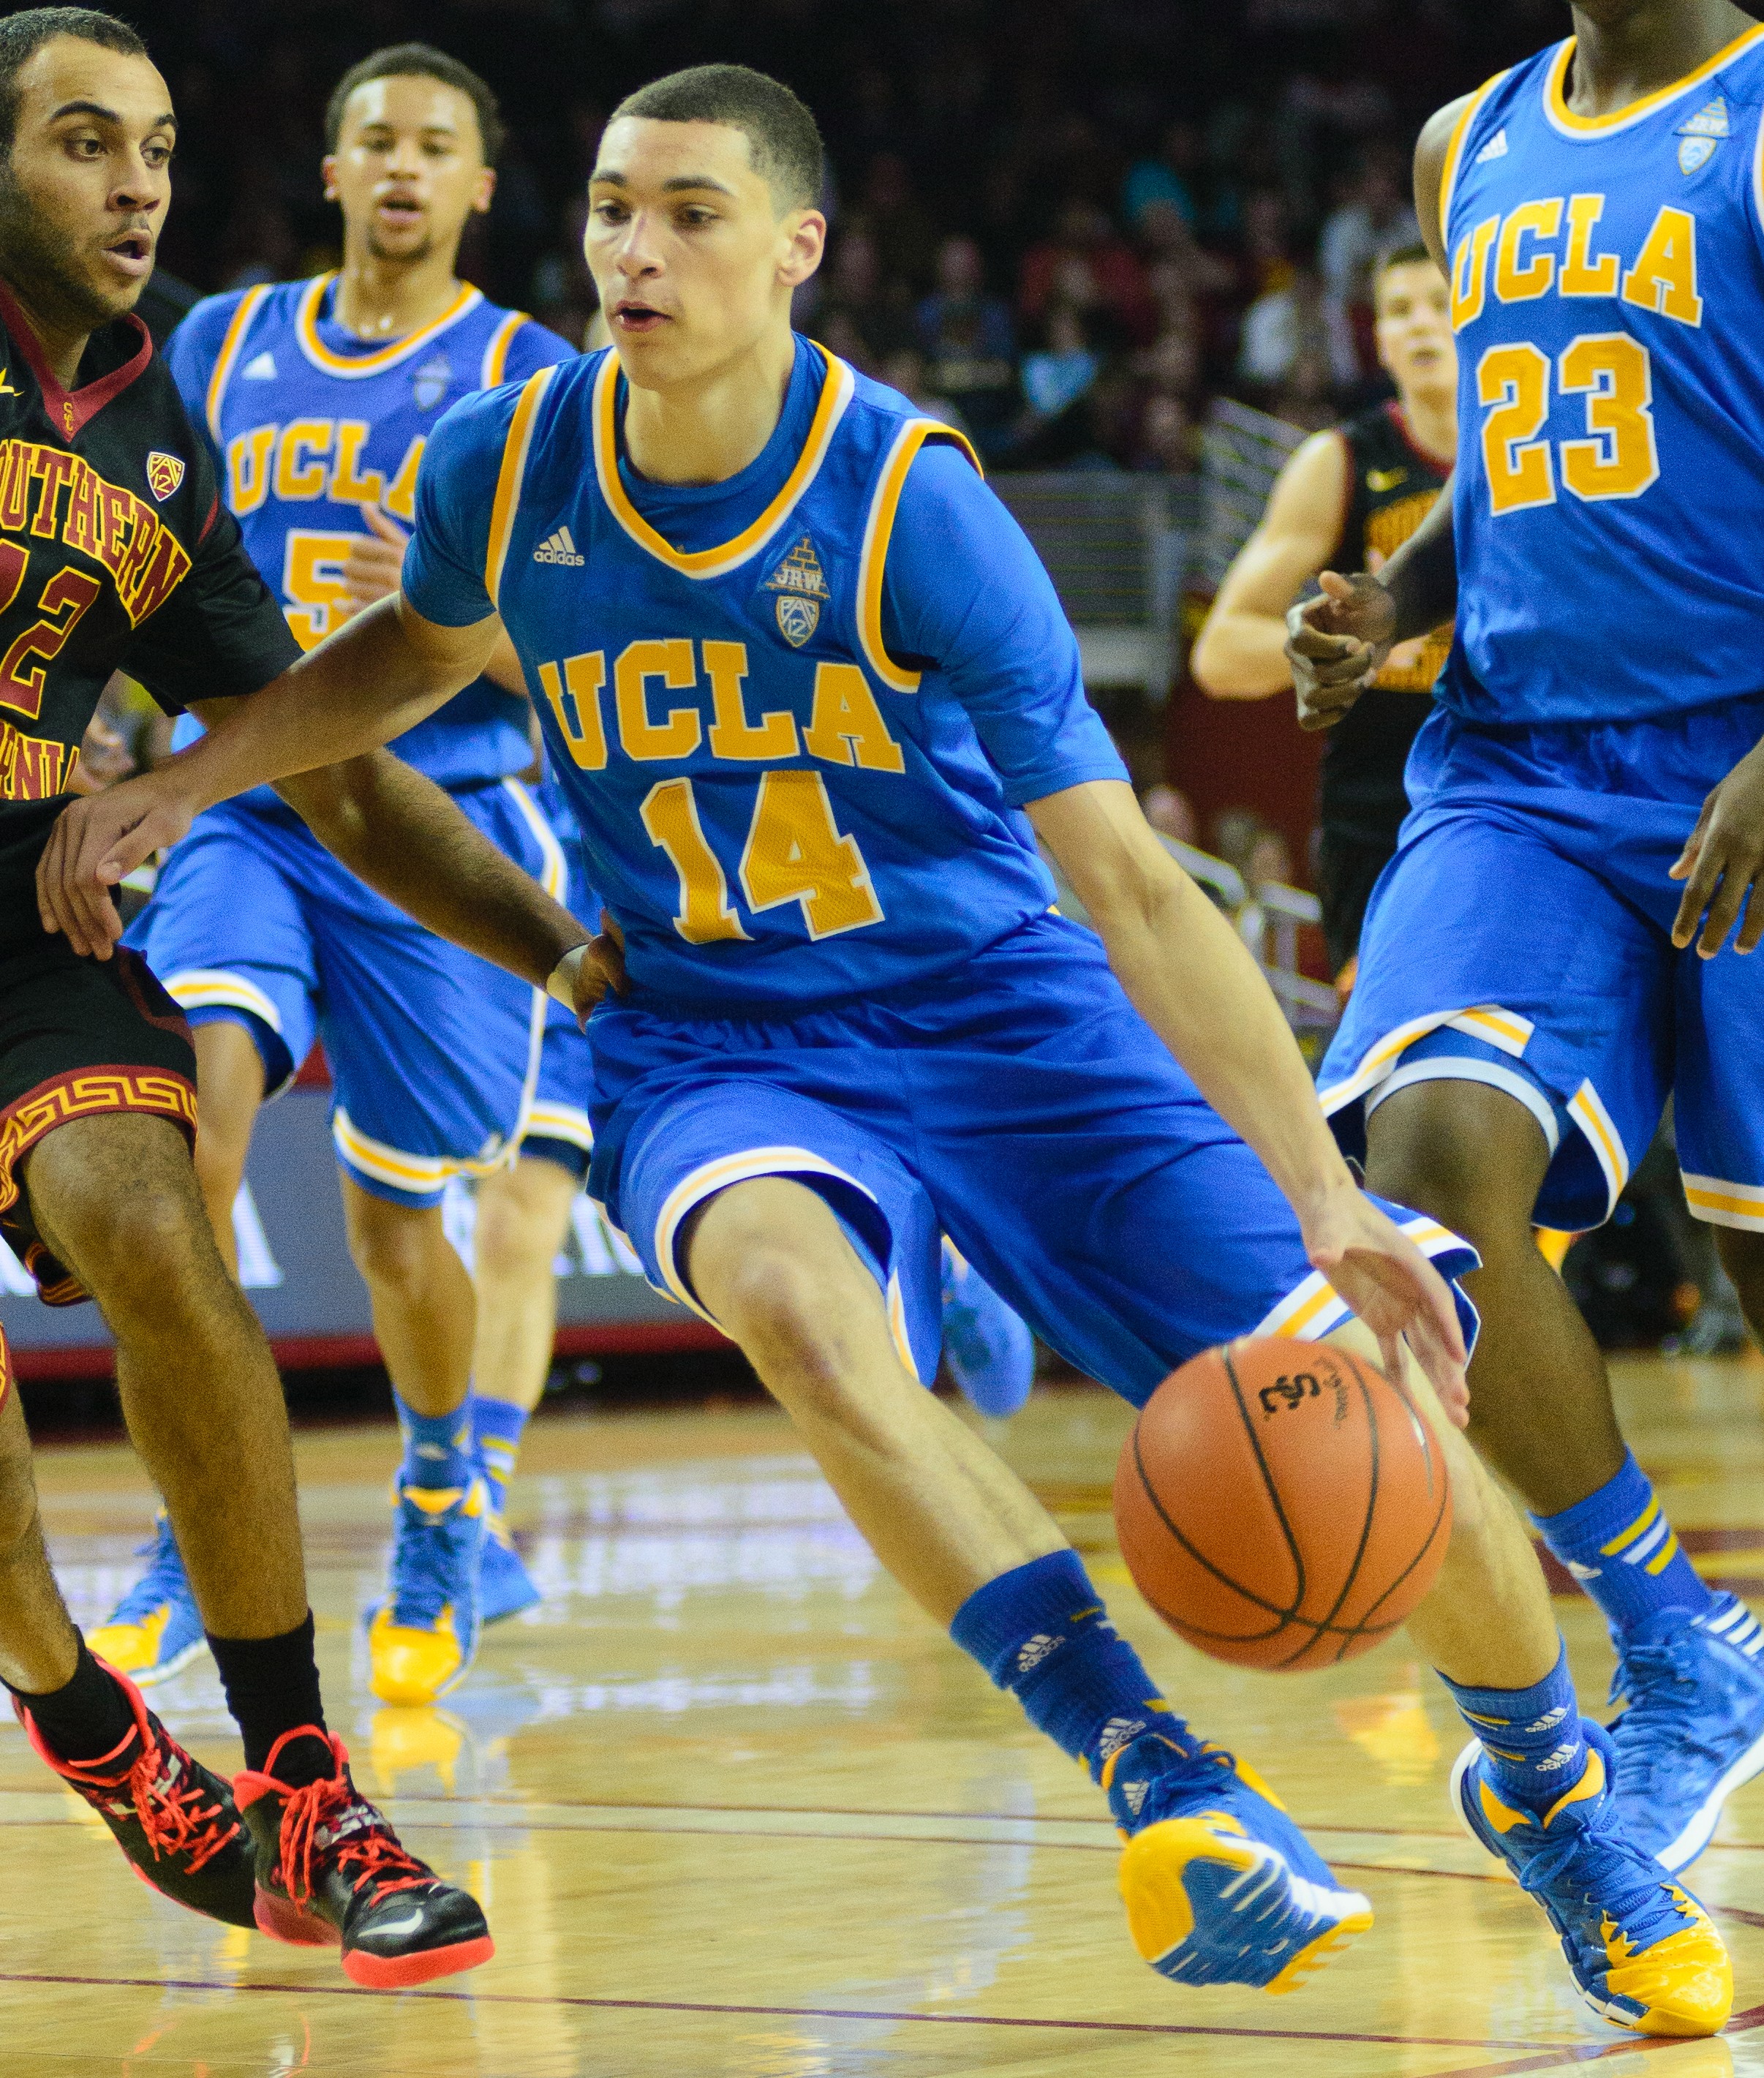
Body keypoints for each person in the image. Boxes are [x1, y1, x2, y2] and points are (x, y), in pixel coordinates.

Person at [42, 64, 1730, 2035]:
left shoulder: (909, 498)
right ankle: (1157, 1776)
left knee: (1370, 1429)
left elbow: (1127, 883)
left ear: (795, 249)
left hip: (1008, 1026)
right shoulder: (507, 466)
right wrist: (186, 779)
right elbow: (381, 672)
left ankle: (1554, 1797)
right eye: (606, 210)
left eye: (684, 213)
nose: (632, 252)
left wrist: (1322, 1193)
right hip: (714, 1041)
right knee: (794, 1306)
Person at [0, 8, 489, 1985]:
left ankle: (300, 1769)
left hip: (27, 886)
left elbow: (323, 746)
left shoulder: (158, 417)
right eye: (83, 146)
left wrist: (561, 948)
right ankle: (90, 1719)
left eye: (162, 150)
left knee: (162, 1215)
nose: (134, 187)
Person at [1286, 0, 1764, 1880]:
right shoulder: (1461, 138)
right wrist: (1387, 598)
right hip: (1517, 773)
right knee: (1422, 1182)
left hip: (1734, 749)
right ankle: (1681, 1643)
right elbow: (1514, 453)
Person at [84, 44, 586, 1711]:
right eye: (372, 138)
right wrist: (96, 711)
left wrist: (457, 621)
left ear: (477, 189)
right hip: (240, 806)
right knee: (194, 1119)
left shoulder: (531, 374)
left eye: (434, 145)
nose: (399, 166)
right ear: (330, 166)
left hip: (436, 826)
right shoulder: (220, 345)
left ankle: (445, 1486)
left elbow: (593, 639)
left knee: (391, 1226)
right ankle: (192, 1505)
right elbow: (120, 544)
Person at [1195, 247, 1455, 980]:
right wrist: (1322, 642)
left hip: (1511, 783)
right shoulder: (1337, 462)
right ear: (1378, 340)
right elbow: (1217, 655)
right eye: (1400, 311)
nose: (1422, 326)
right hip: (1380, 815)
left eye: (1440, 303)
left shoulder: (1532, 453)